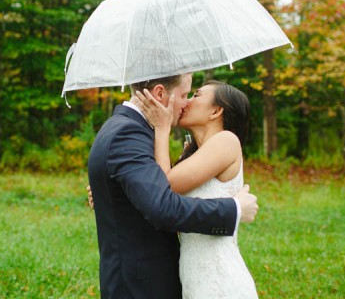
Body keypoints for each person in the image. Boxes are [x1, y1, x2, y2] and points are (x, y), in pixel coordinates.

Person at [88, 73, 258, 299]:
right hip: (189, 276)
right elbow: (161, 197)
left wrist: (162, 129)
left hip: (216, 276)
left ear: (216, 111)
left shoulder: (226, 140)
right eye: (186, 94)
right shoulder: (186, 152)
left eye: (194, 95)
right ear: (160, 93)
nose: (187, 102)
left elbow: (162, 190)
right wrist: (113, 192)